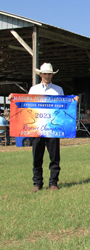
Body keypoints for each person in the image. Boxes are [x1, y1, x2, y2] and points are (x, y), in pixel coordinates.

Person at [9, 63, 79, 193]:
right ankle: (37, 183)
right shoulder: (33, 89)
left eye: (49, 73)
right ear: (40, 74)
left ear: (52, 75)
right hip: (37, 129)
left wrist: (73, 101)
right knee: (37, 157)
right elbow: (25, 106)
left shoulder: (58, 90)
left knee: (54, 157)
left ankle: (53, 183)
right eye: (45, 73)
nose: (47, 75)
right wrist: (13, 99)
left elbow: (64, 106)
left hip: (53, 129)